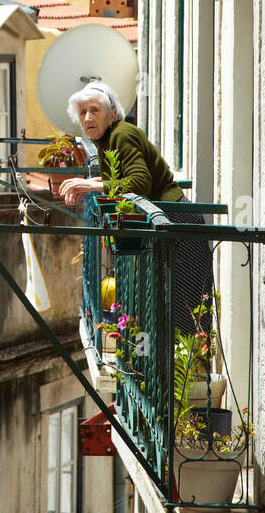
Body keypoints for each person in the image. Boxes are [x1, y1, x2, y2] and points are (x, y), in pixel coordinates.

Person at [59, 80, 212, 333]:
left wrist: (93, 186)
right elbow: (125, 177)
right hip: (168, 219)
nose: (87, 118)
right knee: (174, 306)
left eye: (95, 110)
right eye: (83, 112)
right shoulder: (109, 138)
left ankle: (188, 368)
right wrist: (93, 181)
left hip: (176, 220)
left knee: (186, 309)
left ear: (113, 114)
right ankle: (182, 367)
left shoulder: (122, 135)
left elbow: (140, 183)